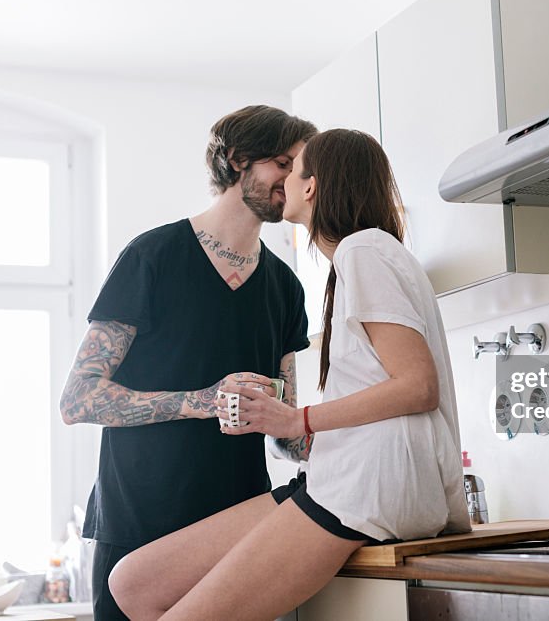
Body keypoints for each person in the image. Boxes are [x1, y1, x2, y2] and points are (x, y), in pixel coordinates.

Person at [108, 128, 471, 620]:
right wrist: (280, 417)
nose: (286, 179)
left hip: (366, 489)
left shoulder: (364, 252)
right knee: (132, 582)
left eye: (294, 167)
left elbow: (417, 386)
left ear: (312, 186)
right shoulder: (361, 257)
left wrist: (296, 420)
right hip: (339, 481)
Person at [58, 105, 318, 621]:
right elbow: (78, 399)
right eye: (281, 163)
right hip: (136, 531)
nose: (292, 180)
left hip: (240, 538)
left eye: (300, 168)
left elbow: (286, 435)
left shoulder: (286, 287)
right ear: (238, 160)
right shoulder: (152, 256)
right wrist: (202, 401)